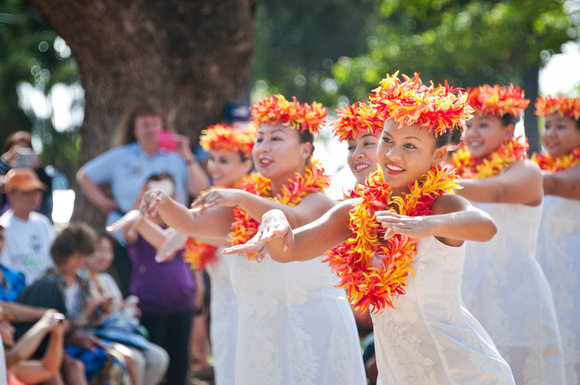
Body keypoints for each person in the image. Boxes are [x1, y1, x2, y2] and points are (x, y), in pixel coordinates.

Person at [224, 74, 515, 385]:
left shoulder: (442, 205)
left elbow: (485, 227)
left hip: (460, 370)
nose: (392, 155)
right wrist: (275, 221)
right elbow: (290, 250)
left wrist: (427, 224)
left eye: (410, 146)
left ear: (438, 155)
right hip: (398, 373)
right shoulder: (353, 213)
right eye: (387, 140)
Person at [132, 94, 366, 385]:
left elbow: (291, 220)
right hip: (260, 339)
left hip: (314, 336)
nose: (263, 148)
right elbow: (192, 222)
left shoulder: (318, 203)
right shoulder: (243, 211)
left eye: (276, 139)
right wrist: (161, 201)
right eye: (260, 139)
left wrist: (241, 196)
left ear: (305, 149)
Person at [451, 84, 564, 384]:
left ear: (508, 131)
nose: (472, 133)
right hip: (469, 293)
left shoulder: (526, 170)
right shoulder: (457, 174)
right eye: (468, 125)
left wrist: (436, 182)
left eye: (483, 124)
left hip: (518, 297)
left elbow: (499, 191)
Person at [76, 101, 210, 296]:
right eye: (145, 124)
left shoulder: (175, 158)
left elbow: (200, 188)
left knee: (174, 290)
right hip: (130, 236)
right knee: (135, 292)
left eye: (155, 123)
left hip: (171, 232)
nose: (151, 129)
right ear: (134, 130)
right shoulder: (121, 156)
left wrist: (187, 155)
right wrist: (105, 203)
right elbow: (84, 176)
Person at [109, 173, 200, 385]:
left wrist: (199, 288)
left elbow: (192, 257)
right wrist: (141, 205)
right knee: (155, 364)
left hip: (182, 302)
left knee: (179, 362)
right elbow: (157, 245)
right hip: (150, 304)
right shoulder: (136, 224)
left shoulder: (183, 225)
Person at [16, 223, 133, 385]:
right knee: (75, 367)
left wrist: (99, 309)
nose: (82, 261)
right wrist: (84, 315)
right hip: (48, 347)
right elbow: (53, 326)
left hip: (78, 339)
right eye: (78, 257)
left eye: (84, 256)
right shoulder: (48, 285)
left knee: (117, 360)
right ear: (63, 255)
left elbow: (85, 321)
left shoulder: (82, 280)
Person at [533, 95, 580, 385]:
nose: (550, 133)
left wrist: (502, 175)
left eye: (560, 126)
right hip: (546, 274)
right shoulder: (544, 168)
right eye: (547, 125)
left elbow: (550, 185)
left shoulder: (560, 175)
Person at [0, 168, 54, 286]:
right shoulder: (3, 228)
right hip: (20, 292)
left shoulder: (43, 223)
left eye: (36, 191)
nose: (34, 197)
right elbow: (6, 274)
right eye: (27, 192)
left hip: (46, 287)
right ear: (10, 195)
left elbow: (54, 260)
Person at [0, 131, 56, 220]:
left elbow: (46, 205)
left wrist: (38, 171)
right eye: (18, 154)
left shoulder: (40, 175)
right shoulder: (3, 172)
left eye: (26, 152)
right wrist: (3, 164)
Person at [2, 308, 66, 384]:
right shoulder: (5, 362)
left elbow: (47, 369)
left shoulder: (10, 368)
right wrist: (44, 324)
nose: (12, 329)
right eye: (5, 325)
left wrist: (57, 335)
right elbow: (17, 354)